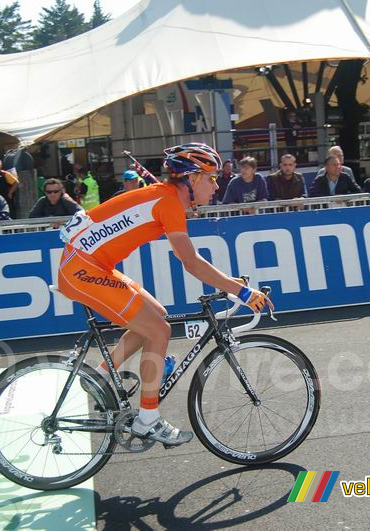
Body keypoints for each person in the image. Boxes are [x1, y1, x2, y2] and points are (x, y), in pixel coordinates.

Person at [57, 142, 272, 446]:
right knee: (159, 330)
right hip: (82, 269)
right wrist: (241, 291)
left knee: (155, 317)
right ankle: (148, 420)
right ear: (193, 177)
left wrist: (228, 282)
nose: (216, 185)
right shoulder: (168, 201)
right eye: (211, 178)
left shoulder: (165, 196)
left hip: (88, 265)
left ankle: (99, 377)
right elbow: (191, 262)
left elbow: (192, 261)